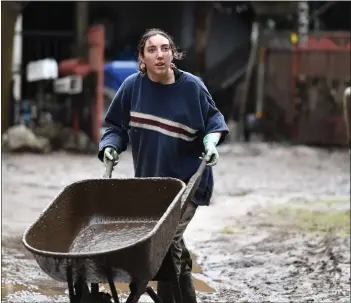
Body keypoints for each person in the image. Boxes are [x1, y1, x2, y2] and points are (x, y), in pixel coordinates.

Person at [98, 28, 229, 302]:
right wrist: (110, 146)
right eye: (152, 50)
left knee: (165, 243)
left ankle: (169, 298)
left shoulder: (192, 87)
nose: (160, 55)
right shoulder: (132, 87)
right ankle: (185, 294)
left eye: (165, 48)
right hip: (149, 186)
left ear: (174, 54)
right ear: (142, 58)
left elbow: (214, 122)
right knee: (170, 246)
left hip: (186, 183)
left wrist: (211, 143)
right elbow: (114, 125)